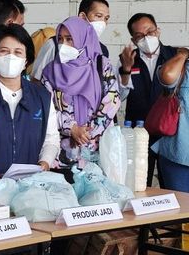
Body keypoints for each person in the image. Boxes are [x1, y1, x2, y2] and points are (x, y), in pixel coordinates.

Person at [0, 24, 60, 204]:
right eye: (4, 51)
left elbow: (51, 139)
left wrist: (44, 164)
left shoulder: (42, 97)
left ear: (27, 60)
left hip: (28, 193)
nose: (11, 57)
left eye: (18, 52)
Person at [41, 16, 120, 169]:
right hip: (62, 154)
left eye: (70, 39)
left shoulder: (101, 65)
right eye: (60, 39)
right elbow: (47, 109)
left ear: (83, 38)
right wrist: (72, 128)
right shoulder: (50, 72)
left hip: (97, 150)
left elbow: (112, 99)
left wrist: (88, 134)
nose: (64, 45)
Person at [118, 13, 177, 187]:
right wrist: (126, 69)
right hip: (138, 130)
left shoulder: (175, 57)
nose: (146, 37)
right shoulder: (127, 60)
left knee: (170, 184)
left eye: (150, 31)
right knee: (138, 182)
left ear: (158, 30)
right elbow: (119, 98)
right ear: (133, 39)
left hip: (169, 131)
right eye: (140, 36)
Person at [32, 0, 111, 81]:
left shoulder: (102, 50)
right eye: (98, 16)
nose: (103, 22)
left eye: (106, 18)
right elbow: (36, 80)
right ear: (83, 17)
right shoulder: (54, 45)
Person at [157, 47, 189, 192]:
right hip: (179, 153)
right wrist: (183, 55)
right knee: (180, 210)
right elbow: (167, 76)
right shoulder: (183, 69)